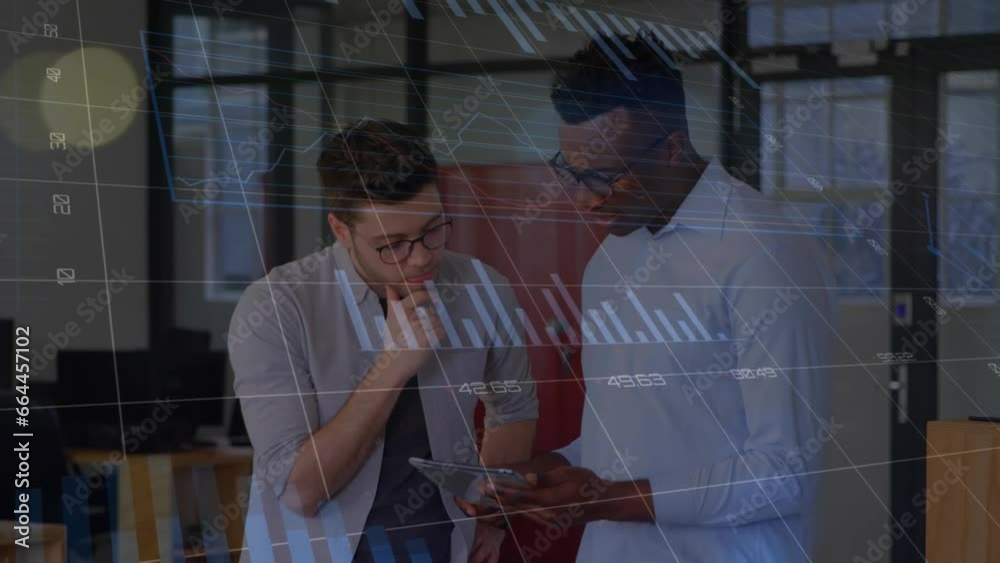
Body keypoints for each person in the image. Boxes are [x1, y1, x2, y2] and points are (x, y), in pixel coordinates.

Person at [463, 34, 836, 563]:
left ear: (672, 148)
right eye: (571, 173)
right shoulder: (610, 259)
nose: (585, 200)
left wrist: (607, 500)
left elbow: (785, 475)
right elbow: (617, 443)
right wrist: (545, 473)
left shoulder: (762, 252)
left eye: (605, 178)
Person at [229, 119, 537, 563]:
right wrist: (393, 363)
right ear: (341, 230)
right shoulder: (276, 307)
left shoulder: (481, 288)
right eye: (391, 245)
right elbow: (300, 491)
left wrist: (491, 517)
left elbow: (514, 408)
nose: (421, 257)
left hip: (443, 547)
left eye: (433, 229)